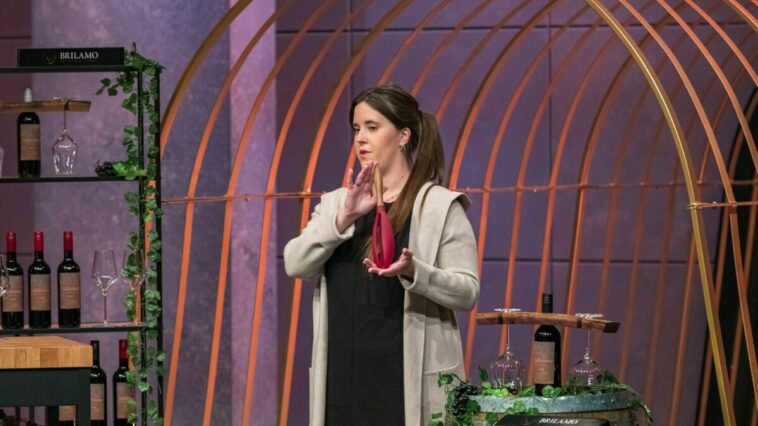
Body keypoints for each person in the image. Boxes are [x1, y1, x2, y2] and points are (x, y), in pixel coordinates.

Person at [284, 84, 479, 426]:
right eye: (356, 128)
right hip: (342, 384)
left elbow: (467, 292)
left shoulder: (438, 206)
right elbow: (295, 263)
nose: (361, 138)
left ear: (403, 136)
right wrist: (343, 218)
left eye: (372, 127)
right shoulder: (337, 203)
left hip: (405, 382)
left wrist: (415, 272)